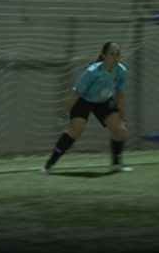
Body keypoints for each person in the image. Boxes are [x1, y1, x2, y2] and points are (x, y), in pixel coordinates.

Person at [41, 41, 131, 173]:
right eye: (111, 54)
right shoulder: (92, 71)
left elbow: (120, 95)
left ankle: (116, 164)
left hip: (104, 102)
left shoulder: (121, 71)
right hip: (83, 100)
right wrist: (64, 112)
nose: (115, 57)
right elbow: (76, 93)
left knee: (119, 131)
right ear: (103, 55)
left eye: (118, 54)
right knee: (75, 131)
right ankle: (48, 165)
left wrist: (122, 119)